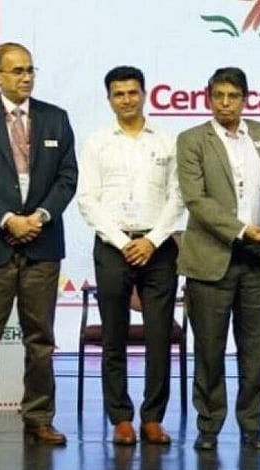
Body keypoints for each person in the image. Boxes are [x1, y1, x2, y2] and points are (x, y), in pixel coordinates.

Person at [0, 42, 78, 449]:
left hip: (42, 242)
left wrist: (39, 217)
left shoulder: (55, 118)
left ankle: (39, 418)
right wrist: (9, 219)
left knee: (40, 337)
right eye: (16, 71)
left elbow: (67, 177)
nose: (26, 77)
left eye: (30, 69)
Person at [177, 67, 260, 451]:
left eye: (233, 96)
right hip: (212, 257)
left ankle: (252, 424)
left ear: (245, 98)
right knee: (209, 348)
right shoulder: (192, 140)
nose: (225, 103)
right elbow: (196, 199)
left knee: (254, 347)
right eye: (218, 95)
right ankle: (208, 425)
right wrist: (242, 229)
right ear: (207, 96)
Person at [77, 66, 183, 446]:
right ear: (109, 99)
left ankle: (153, 418)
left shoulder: (168, 141)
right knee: (114, 336)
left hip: (158, 248)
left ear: (145, 94)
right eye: (118, 94)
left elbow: (179, 196)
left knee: (159, 338)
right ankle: (120, 418)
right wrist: (123, 242)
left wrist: (152, 240)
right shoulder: (96, 142)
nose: (126, 99)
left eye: (133, 92)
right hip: (112, 248)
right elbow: (87, 199)